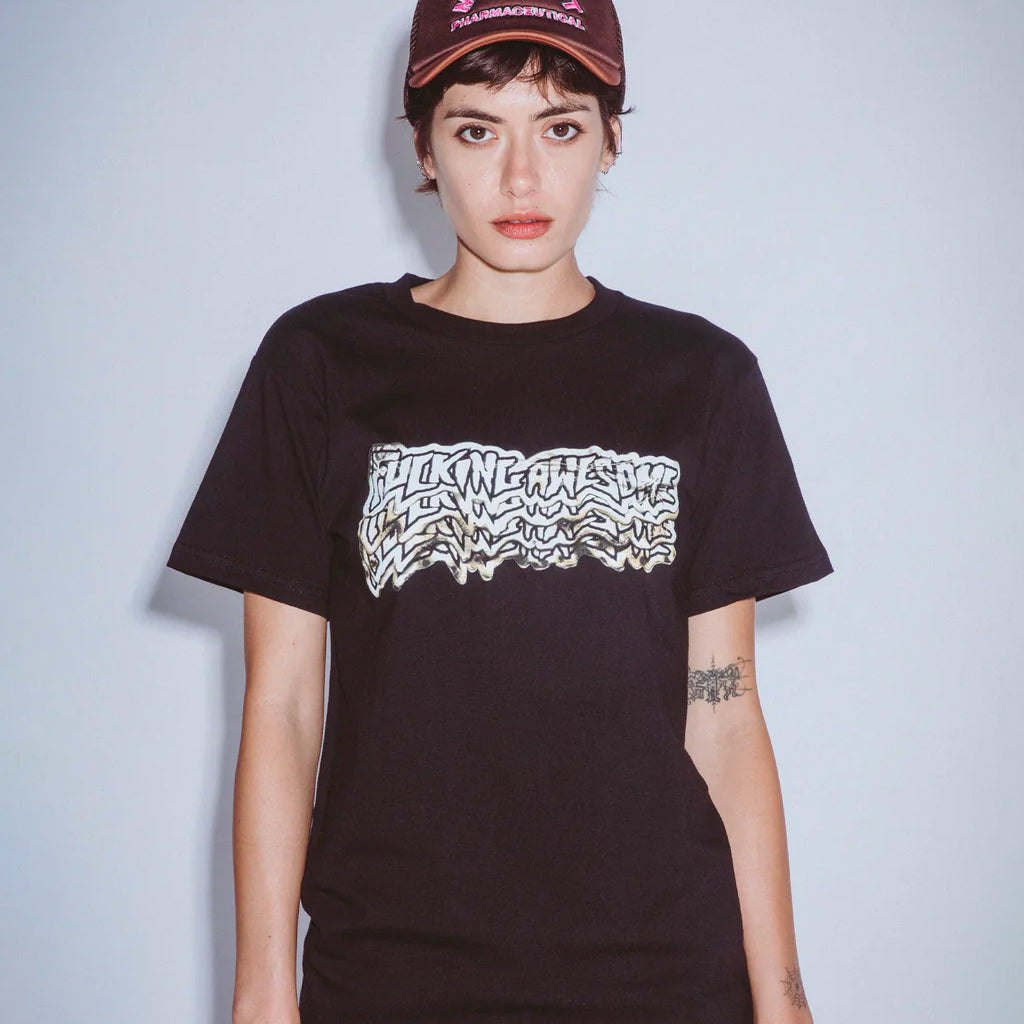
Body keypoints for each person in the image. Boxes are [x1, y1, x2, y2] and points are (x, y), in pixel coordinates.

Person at [166, 2, 833, 1021]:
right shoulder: (322, 362)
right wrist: (262, 992)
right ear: (423, 148)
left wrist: (782, 999)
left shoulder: (701, 378)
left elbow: (725, 709)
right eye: (477, 129)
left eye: (560, 127)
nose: (522, 179)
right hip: (391, 975)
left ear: (611, 139)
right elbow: (285, 707)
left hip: (662, 976)